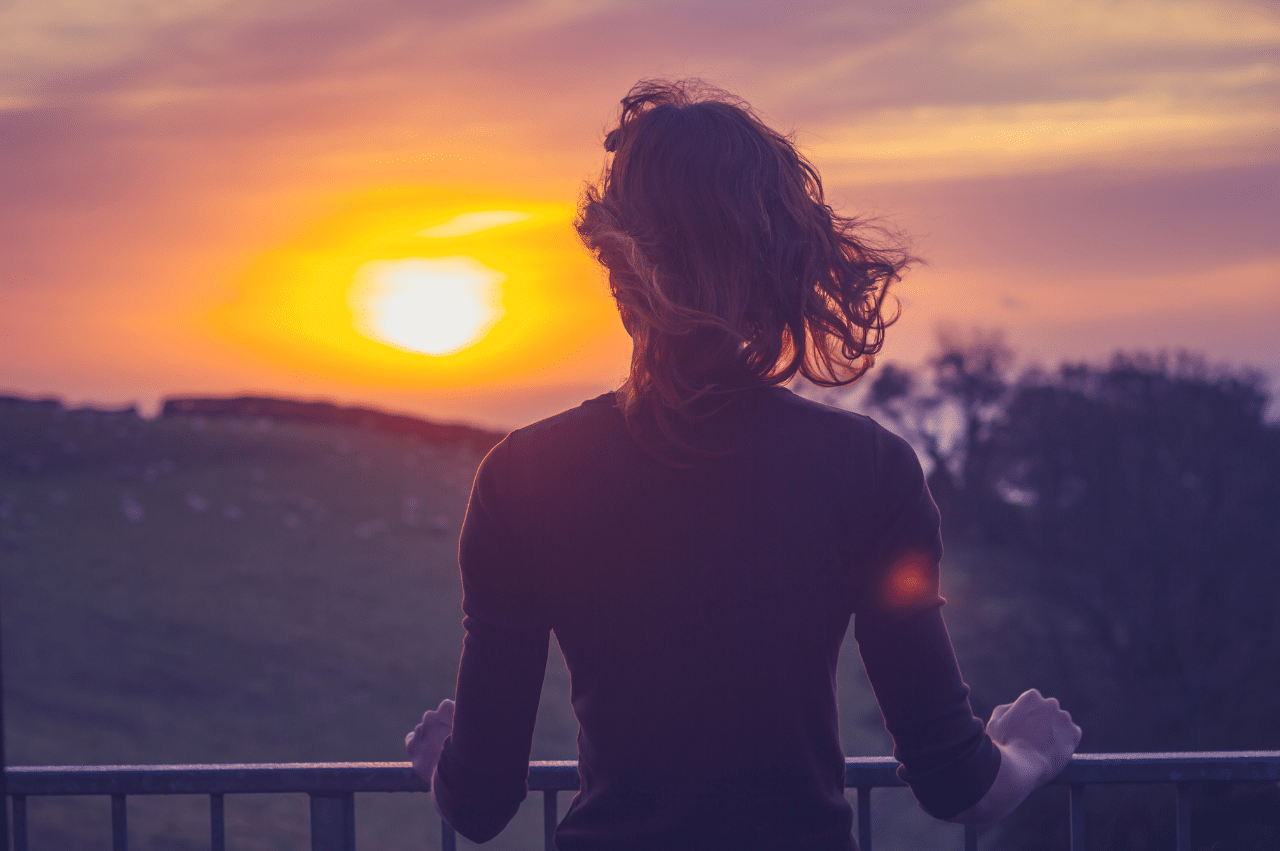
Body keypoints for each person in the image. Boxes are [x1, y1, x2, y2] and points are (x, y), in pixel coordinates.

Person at [406, 79, 1081, 850]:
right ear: (781, 263)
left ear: (619, 269)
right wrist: (1027, 747)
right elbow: (959, 784)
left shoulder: (522, 477)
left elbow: (482, 805)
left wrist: (442, 766)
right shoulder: (869, 470)